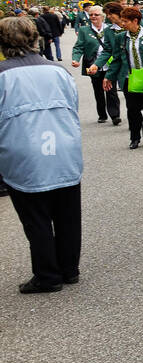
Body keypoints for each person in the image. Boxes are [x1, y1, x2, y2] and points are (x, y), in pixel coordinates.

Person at [0, 15, 83, 293]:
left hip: (24, 152)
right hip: (63, 147)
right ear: (36, 39)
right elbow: (73, 106)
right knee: (68, 214)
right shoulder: (57, 71)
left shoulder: (2, 76)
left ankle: (47, 275)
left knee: (36, 217)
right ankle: (69, 269)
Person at [103, 5, 143, 149]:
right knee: (133, 110)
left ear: (135, 21)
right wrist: (109, 76)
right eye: (122, 21)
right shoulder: (121, 37)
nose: (123, 23)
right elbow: (117, 59)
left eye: (126, 21)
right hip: (129, 79)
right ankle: (135, 138)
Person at [70, 5, 121, 125]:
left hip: (109, 65)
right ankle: (102, 114)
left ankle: (115, 115)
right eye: (91, 15)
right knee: (98, 90)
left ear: (102, 16)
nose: (93, 17)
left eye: (96, 14)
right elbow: (79, 47)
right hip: (92, 65)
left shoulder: (110, 28)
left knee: (111, 90)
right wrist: (75, 59)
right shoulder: (84, 30)